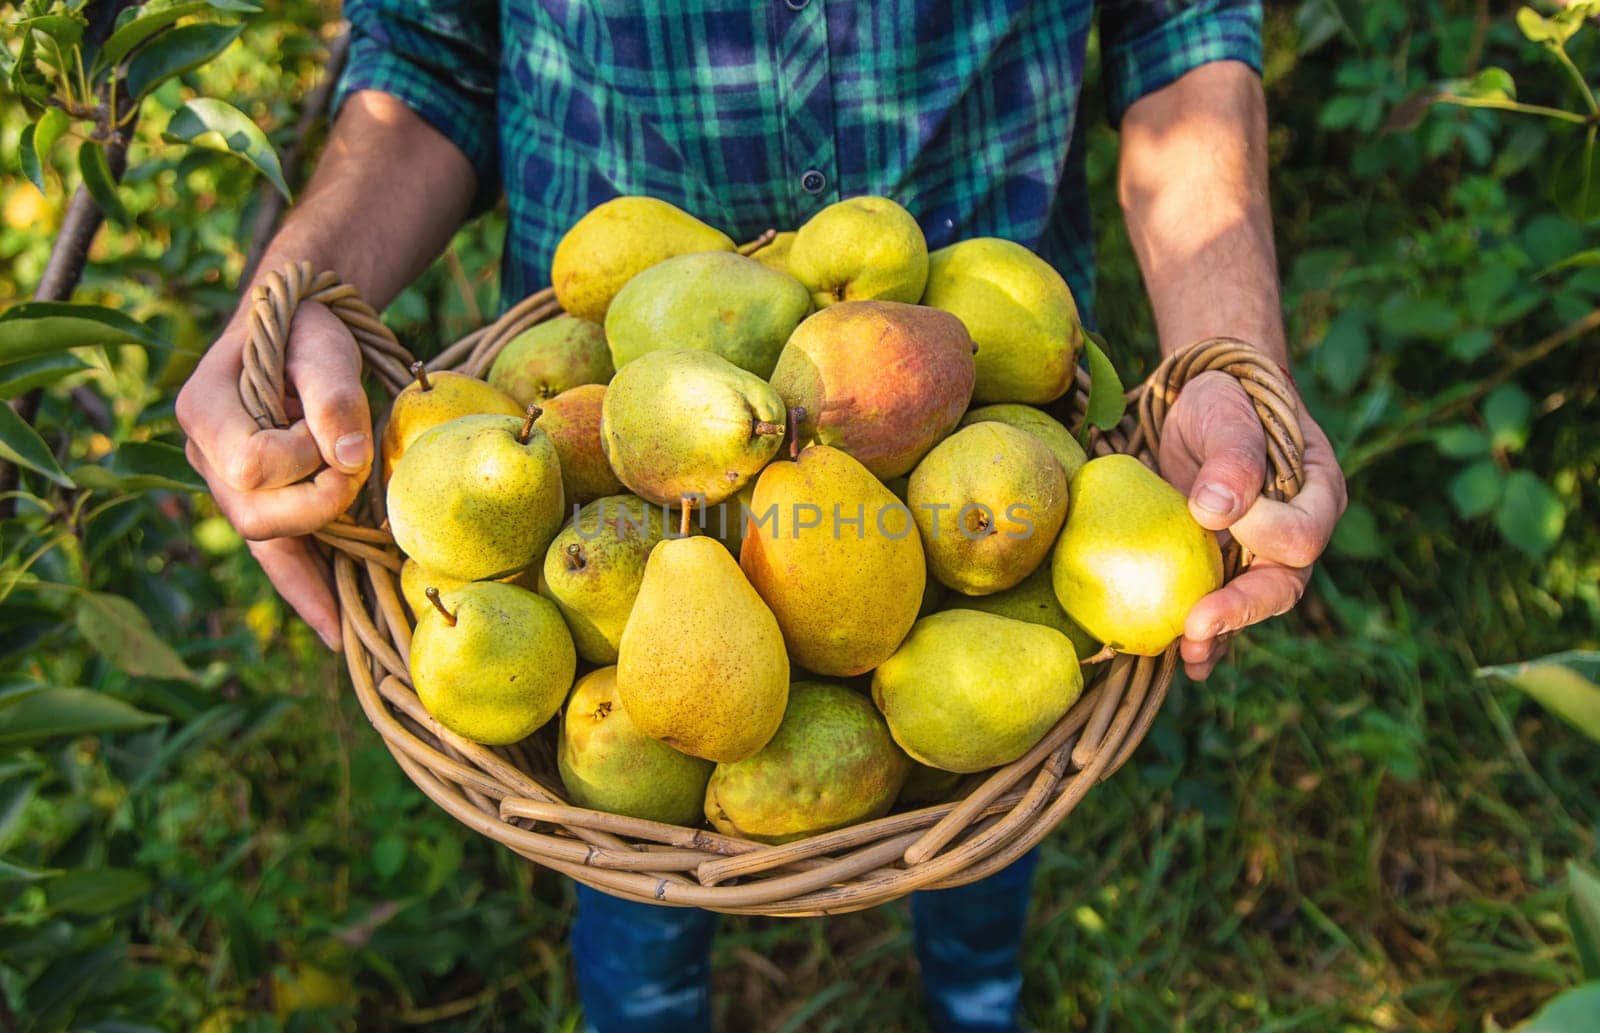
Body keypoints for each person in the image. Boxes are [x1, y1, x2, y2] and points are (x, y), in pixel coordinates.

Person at [177, 2, 1348, 1029]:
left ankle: (977, 995)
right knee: (624, 835)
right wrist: (294, 301)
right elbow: (428, 52)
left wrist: (1230, 354)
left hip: (993, 372)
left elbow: (1179, 22)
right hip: (592, 395)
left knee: (979, 788)